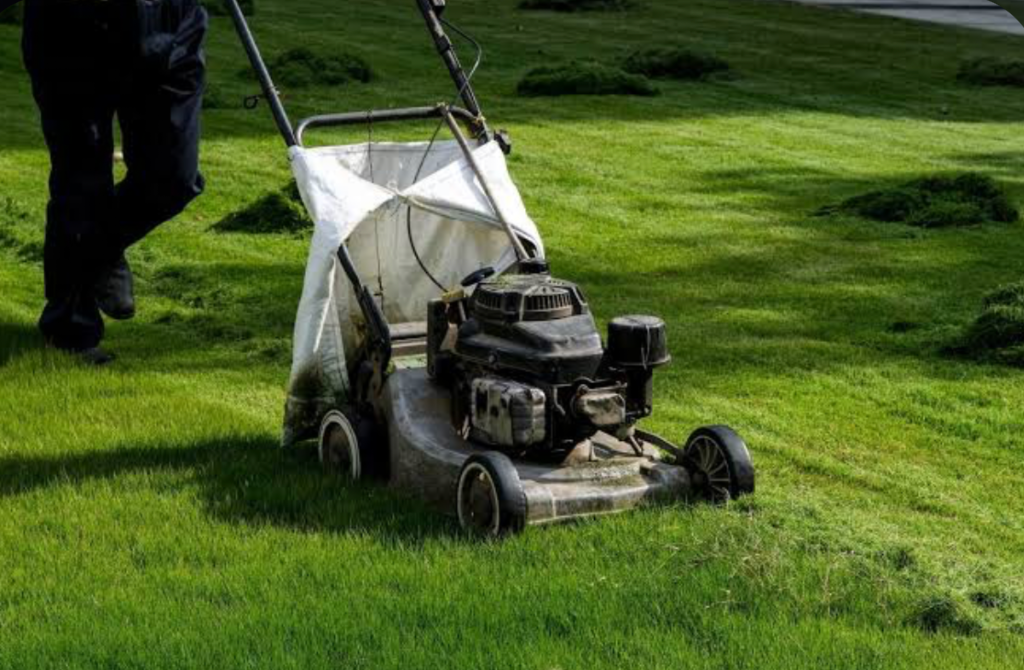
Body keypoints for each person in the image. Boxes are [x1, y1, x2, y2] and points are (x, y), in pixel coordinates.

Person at [21, 0, 208, 364]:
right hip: (72, 32)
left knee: (174, 178)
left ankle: (100, 250)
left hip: (171, 25)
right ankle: (71, 333)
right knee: (81, 181)